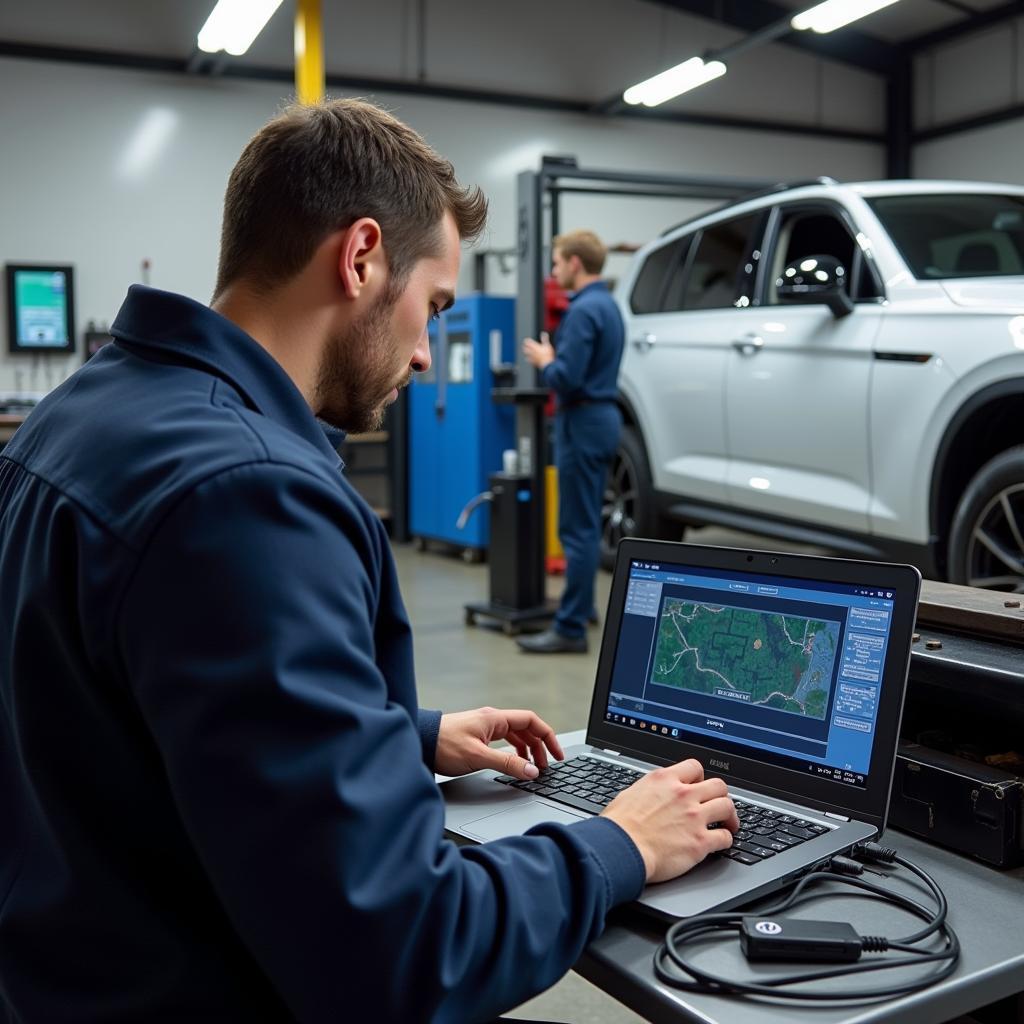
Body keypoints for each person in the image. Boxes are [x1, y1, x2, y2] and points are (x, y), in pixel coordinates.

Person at [0, 100, 737, 1023]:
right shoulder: (248, 496)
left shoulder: (77, 418)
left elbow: (124, 710)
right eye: (431, 307)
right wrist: (619, 842)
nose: (429, 354)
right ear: (360, 259)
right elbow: (405, 950)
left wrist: (402, 733)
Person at [518, 231, 625, 654]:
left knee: (576, 530)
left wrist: (547, 362)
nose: (555, 270)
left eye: (558, 262)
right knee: (588, 523)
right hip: (603, 421)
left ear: (576, 263)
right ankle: (584, 608)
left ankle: (570, 628)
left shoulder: (582, 311)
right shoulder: (609, 306)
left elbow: (568, 377)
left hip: (580, 422)